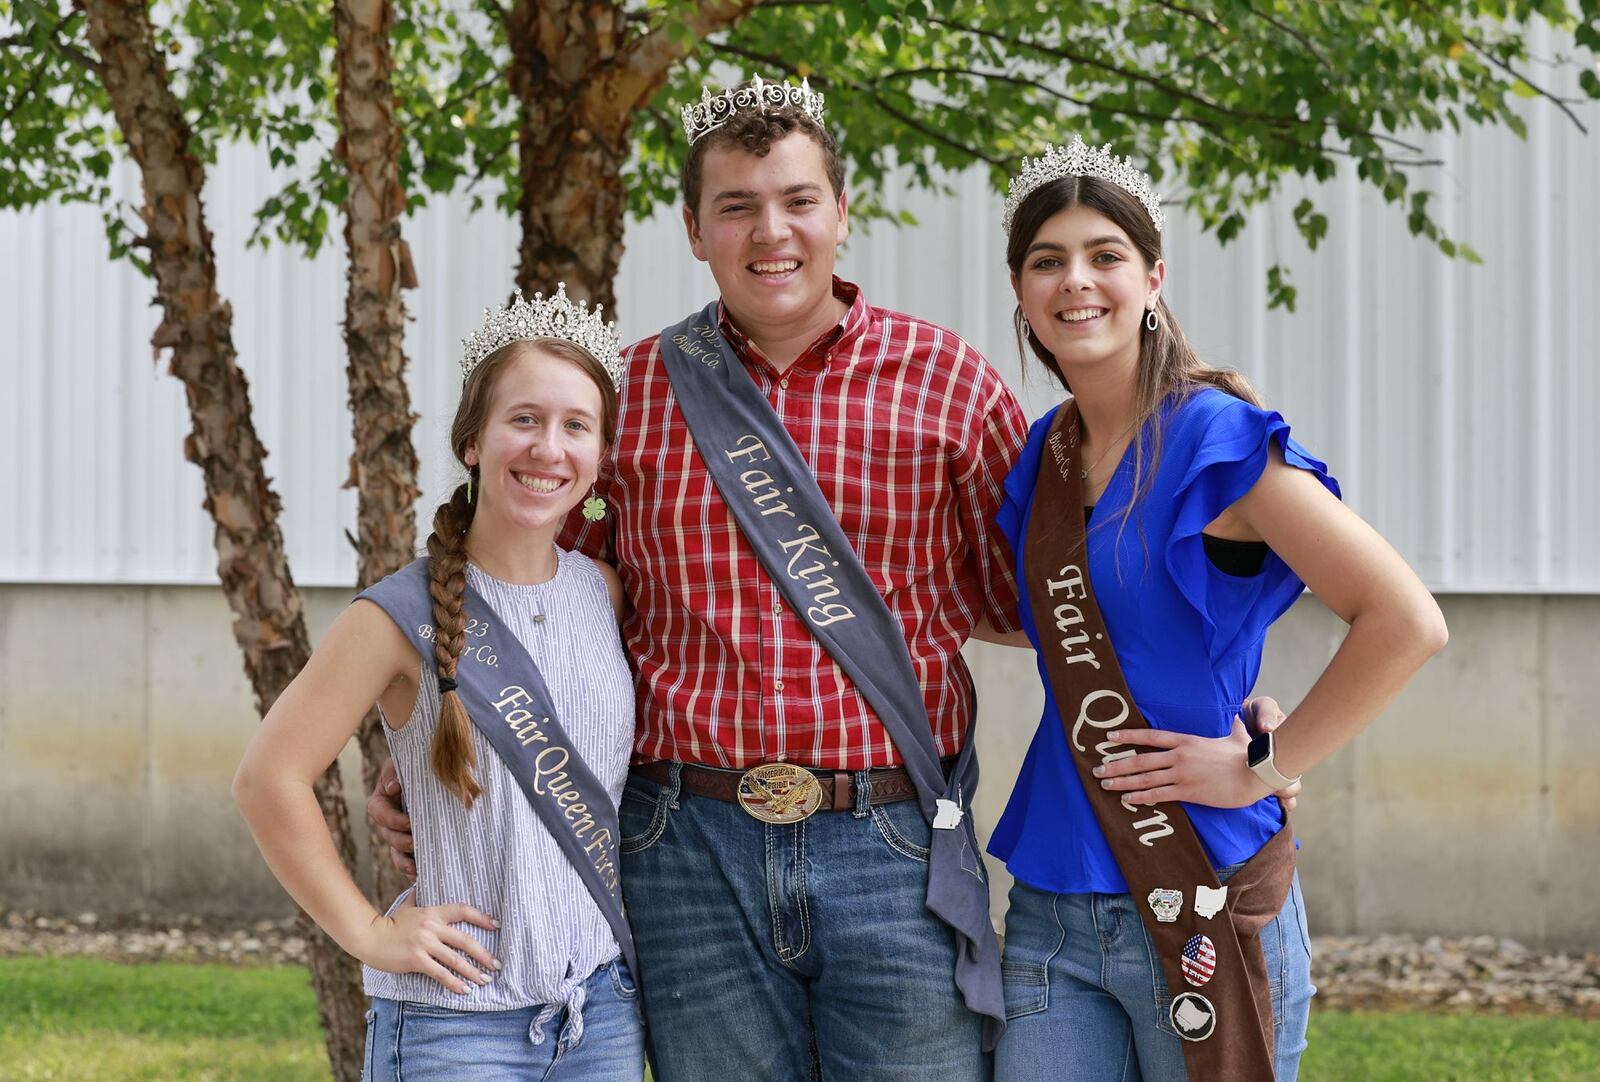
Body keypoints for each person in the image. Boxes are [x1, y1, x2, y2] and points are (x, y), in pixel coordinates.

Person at [374, 74, 1025, 1081]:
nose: (772, 231)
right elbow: (543, 608)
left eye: (798, 200)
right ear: (693, 227)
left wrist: (1204, 671)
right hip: (682, 847)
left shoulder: (952, 383)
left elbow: (1028, 600)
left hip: (891, 843)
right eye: (737, 207)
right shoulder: (627, 399)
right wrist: (433, 740)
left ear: (840, 214)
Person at [983, 137, 1449, 1081]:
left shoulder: (1218, 439)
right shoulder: (1047, 454)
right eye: (1048, 260)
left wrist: (1262, 764)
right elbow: (1048, 620)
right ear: (1023, 291)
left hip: (1202, 884)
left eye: (1105, 255)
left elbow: (1406, 620)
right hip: (1052, 902)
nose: (1077, 281)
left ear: (1153, 277)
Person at [233, 286, 645, 1081]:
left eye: (575, 427)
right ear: (472, 440)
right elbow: (267, 779)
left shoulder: (607, 593)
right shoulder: (395, 616)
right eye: (523, 419)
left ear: (598, 459)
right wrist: (369, 933)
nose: (547, 448)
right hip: (452, 1026)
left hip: (599, 1014)